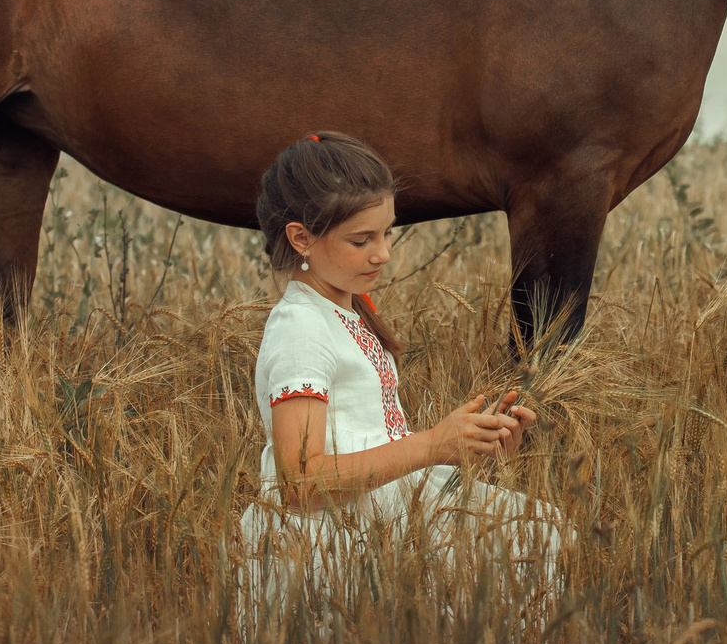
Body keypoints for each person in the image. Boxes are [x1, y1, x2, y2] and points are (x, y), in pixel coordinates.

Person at [237, 131, 565, 603]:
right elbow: (300, 480)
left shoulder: (341, 310)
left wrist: (471, 441)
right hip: (338, 537)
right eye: (361, 239)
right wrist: (432, 443)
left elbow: (369, 437)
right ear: (301, 237)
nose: (383, 253)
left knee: (541, 533)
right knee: (533, 541)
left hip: (382, 507)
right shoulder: (301, 329)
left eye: (387, 232)